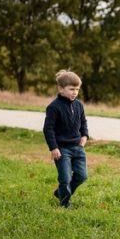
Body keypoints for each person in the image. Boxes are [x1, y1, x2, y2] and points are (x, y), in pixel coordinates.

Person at [42, 69, 89, 209]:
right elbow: (48, 129)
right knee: (65, 179)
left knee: (82, 176)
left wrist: (85, 135)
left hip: (77, 147)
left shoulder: (79, 105)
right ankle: (65, 204)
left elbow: (83, 122)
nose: (75, 92)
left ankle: (60, 193)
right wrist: (53, 148)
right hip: (62, 149)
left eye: (77, 89)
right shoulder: (53, 107)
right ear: (61, 89)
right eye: (71, 89)